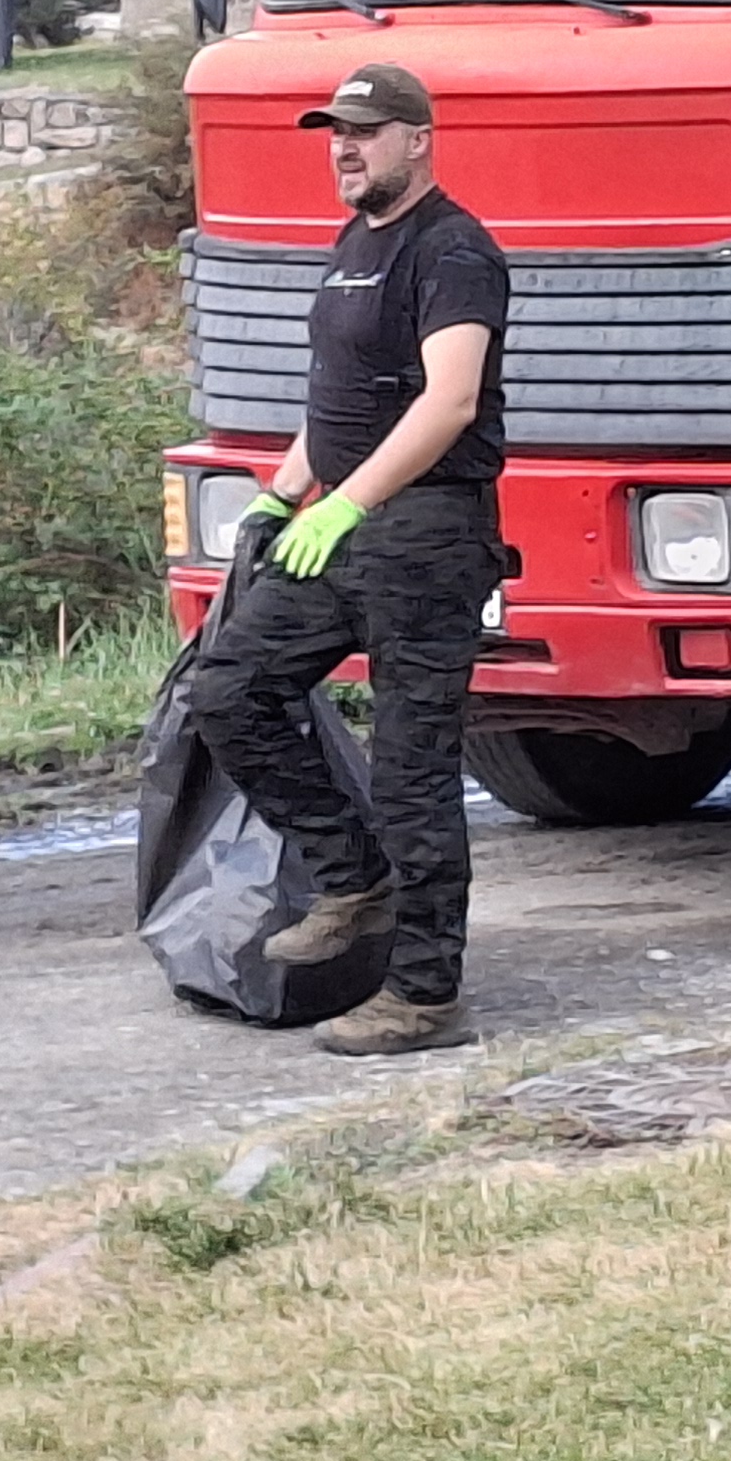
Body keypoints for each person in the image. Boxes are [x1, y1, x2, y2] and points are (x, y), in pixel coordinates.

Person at [187, 62, 509, 1056]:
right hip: (341, 525)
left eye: (365, 132)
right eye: (336, 133)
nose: (345, 148)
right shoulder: (353, 242)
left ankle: (425, 996)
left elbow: (450, 400)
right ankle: (354, 879)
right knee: (228, 690)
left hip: (428, 536)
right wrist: (282, 493)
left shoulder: (453, 249)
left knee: (412, 771)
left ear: (419, 138)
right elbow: (339, 394)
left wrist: (348, 502)